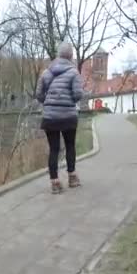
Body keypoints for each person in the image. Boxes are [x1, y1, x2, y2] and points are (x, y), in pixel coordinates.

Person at [35, 42, 84, 194]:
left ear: (58, 55)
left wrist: (49, 103)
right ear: (70, 56)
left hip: (50, 116)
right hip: (68, 115)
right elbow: (77, 95)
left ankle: (55, 182)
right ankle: (72, 177)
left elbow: (39, 94)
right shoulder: (74, 73)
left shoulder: (46, 73)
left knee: (54, 149)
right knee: (70, 146)